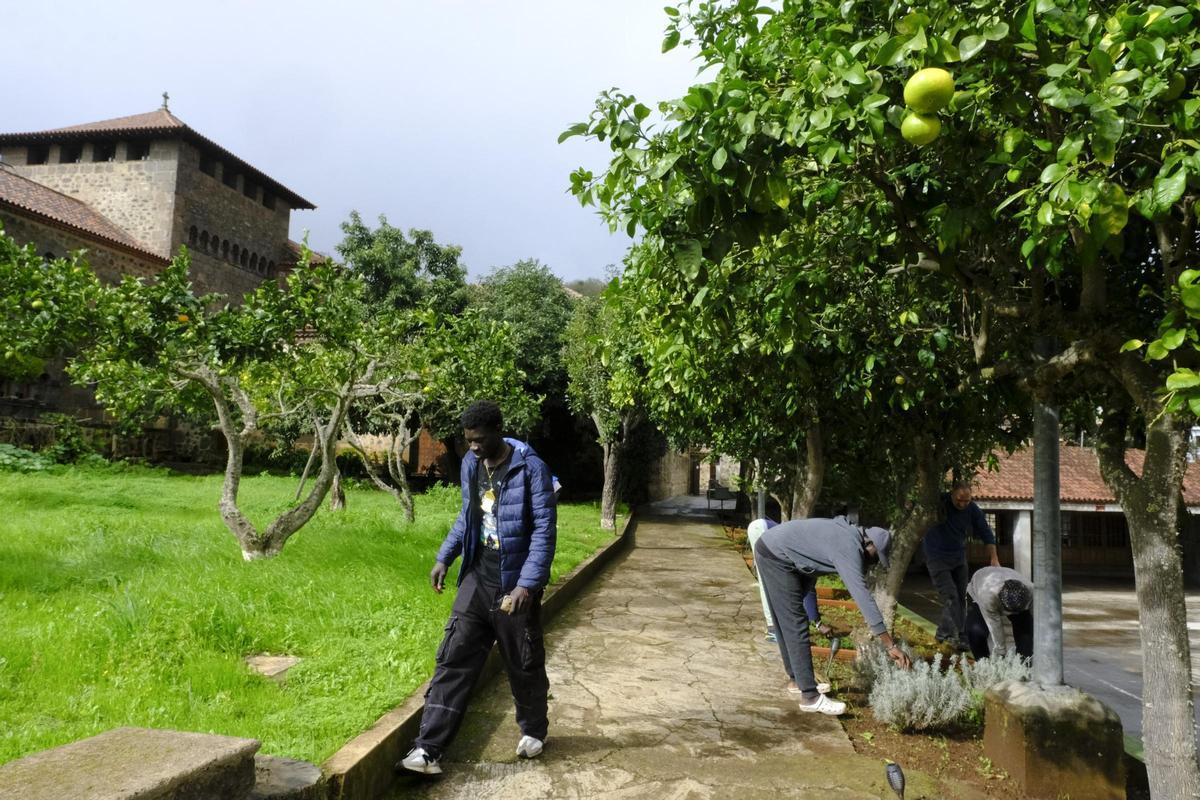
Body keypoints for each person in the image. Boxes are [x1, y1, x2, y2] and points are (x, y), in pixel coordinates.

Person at [400, 401, 557, 775]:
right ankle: (428, 750)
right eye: (468, 441)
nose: (472, 447)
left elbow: (544, 533)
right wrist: (445, 557)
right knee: (453, 658)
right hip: (477, 576)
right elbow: (468, 516)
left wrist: (527, 586)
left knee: (523, 661)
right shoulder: (471, 465)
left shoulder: (530, 469)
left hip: (514, 584)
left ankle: (534, 729)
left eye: (479, 440)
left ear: (498, 431)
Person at [755, 515, 912, 716]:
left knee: (789, 620)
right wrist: (890, 645)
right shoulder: (849, 547)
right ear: (869, 543)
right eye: (875, 556)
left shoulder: (844, 534)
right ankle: (810, 697)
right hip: (775, 555)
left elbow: (810, 569)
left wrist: (813, 617)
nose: (872, 563)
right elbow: (863, 597)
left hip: (776, 551)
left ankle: (798, 680)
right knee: (794, 625)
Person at [922, 481, 1000, 650]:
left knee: (961, 597)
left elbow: (987, 533)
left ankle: (957, 634)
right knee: (950, 596)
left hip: (958, 557)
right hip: (936, 556)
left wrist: (994, 558)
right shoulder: (939, 502)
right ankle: (948, 634)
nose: (963, 504)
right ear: (952, 494)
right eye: (959, 500)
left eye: (967, 500)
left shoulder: (972, 509)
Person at [746, 518, 833, 644]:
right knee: (767, 582)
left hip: (763, 528)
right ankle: (772, 629)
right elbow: (809, 591)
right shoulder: (810, 556)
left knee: (774, 582)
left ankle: (775, 627)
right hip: (762, 530)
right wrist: (817, 622)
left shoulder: (807, 547)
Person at [965, 566, 1033, 660]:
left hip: (1009, 584)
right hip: (979, 585)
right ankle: (983, 665)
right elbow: (995, 626)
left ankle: (1025, 665)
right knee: (976, 630)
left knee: (1025, 630)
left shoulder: (1031, 590)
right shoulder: (988, 598)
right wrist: (1001, 653)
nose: (1014, 614)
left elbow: (1038, 618)